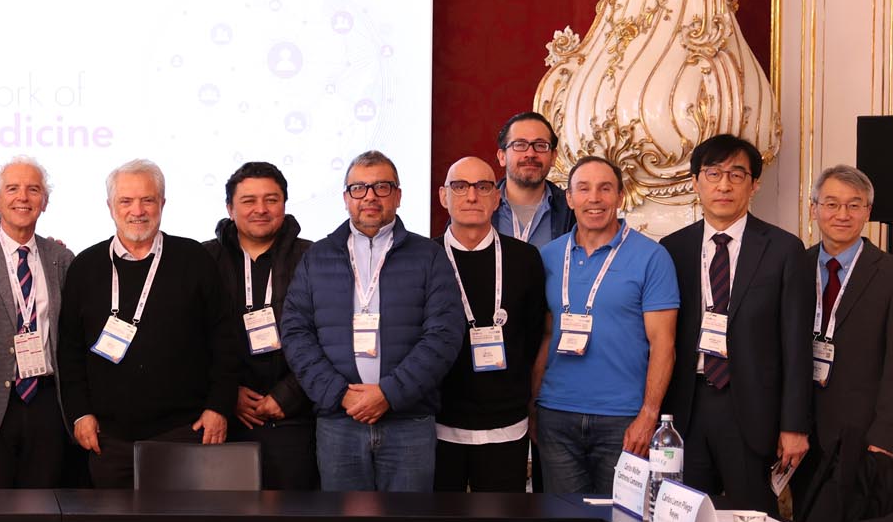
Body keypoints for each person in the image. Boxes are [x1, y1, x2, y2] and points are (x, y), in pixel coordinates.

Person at [281, 151, 464, 491]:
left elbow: (444, 335)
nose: (369, 196)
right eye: (359, 188)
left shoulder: (429, 256)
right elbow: (295, 333)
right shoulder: (316, 257)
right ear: (346, 198)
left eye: (381, 187)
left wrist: (389, 394)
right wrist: (340, 394)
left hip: (409, 422)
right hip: (339, 422)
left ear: (398, 195)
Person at [58, 159, 240, 488]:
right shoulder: (85, 266)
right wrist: (80, 413)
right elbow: (70, 352)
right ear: (110, 206)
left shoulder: (195, 259)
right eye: (126, 201)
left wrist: (219, 407)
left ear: (163, 203)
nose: (137, 211)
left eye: (148, 200)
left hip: (185, 432)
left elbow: (224, 341)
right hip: (107, 439)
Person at [659, 135, 813, 510]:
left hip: (751, 411)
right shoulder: (672, 249)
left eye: (736, 174)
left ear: (754, 184)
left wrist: (794, 425)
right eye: (713, 174)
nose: (724, 185)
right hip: (687, 406)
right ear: (696, 182)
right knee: (683, 518)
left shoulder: (783, 249)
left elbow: (796, 345)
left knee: (753, 521)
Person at [531, 157, 679, 494]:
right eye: (583, 189)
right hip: (556, 415)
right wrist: (533, 404)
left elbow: (664, 344)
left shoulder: (652, 257)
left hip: (623, 420)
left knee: (621, 521)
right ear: (569, 198)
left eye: (605, 188)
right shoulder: (548, 257)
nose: (594, 198)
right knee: (563, 520)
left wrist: (649, 415)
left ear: (620, 196)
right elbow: (546, 335)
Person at [794, 165, 893, 519]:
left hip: (860, 437)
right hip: (800, 431)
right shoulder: (795, 266)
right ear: (814, 208)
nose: (842, 215)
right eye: (832, 204)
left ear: (868, 211)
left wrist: (883, 440)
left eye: (854, 205)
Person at [432, 156, 549, 492]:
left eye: (483, 187)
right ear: (443, 196)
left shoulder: (525, 258)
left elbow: (533, 336)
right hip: (439, 423)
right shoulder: (424, 257)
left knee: (501, 520)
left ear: (497, 198)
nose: (472, 196)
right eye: (460, 186)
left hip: (506, 423)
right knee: (441, 521)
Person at [0, 157, 77, 488]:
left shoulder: (61, 259)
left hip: (47, 403)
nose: (23, 197)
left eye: (33, 189)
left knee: (43, 504)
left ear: (45, 201)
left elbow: (72, 340)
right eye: (12, 189)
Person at [204, 161, 318, 490]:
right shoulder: (203, 260)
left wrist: (287, 396)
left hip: (296, 418)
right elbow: (191, 340)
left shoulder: (313, 258)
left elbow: (329, 337)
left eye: (271, 199)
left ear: (284, 204)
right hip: (226, 418)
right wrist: (227, 394)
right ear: (230, 208)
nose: (261, 209)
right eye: (248, 200)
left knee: (293, 516)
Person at [491, 112, 576, 249]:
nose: (530, 154)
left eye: (541, 145)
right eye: (520, 144)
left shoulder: (572, 210)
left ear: (553, 157)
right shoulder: (480, 204)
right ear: (502, 157)